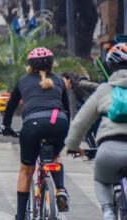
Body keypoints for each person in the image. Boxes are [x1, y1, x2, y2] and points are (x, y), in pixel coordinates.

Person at [1, 47, 70, 220]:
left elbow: (10, 108)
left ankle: (20, 216)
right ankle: (60, 189)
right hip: (59, 122)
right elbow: (67, 110)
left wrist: (6, 126)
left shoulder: (23, 81)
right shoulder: (60, 81)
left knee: (26, 170)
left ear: (30, 65)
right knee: (55, 156)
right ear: (52, 64)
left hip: (33, 124)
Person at [65, 43, 127, 220]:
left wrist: (73, 146)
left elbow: (80, 123)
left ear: (111, 67)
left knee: (101, 179)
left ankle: (108, 211)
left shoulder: (104, 90)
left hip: (109, 151)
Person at [62, 72, 100, 149]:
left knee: (92, 133)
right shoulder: (70, 90)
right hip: (88, 114)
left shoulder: (81, 83)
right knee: (89, 133)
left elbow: (99, 87)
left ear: (69, 79)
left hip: (95, 111)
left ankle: (95, 151)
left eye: (63, 80)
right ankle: (95, 151)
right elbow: (72, 107)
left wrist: (94, 99)